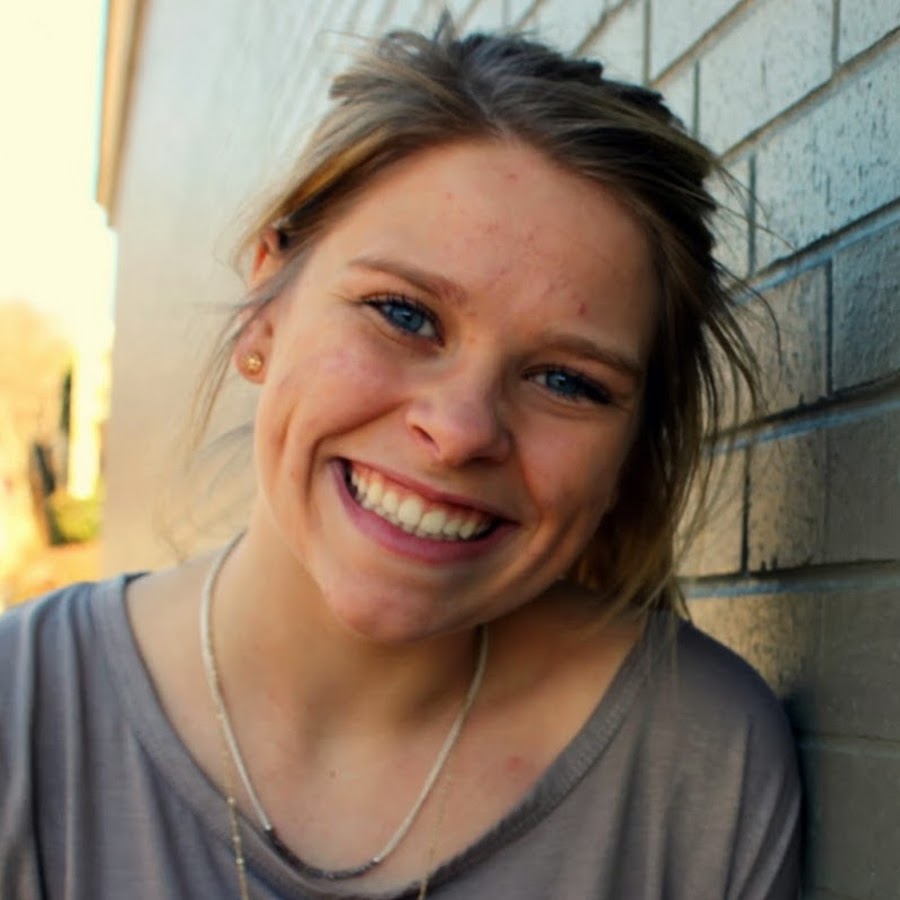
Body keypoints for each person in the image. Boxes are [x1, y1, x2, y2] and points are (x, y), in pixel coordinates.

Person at [0, 20, 800, 900]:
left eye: (567, 381)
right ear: (265, 304)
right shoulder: (21, 713)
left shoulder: (701, 767)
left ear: (629, 458)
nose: (460, 430)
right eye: (404, 314)